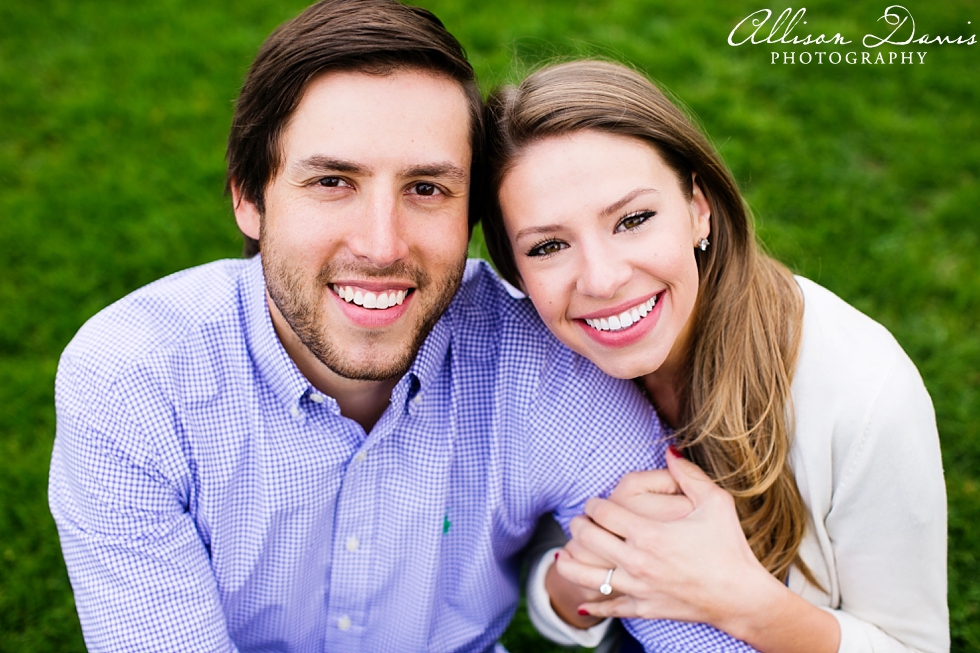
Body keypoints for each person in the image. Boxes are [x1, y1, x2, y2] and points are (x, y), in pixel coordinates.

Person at [48, 4, 758, 651]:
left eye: (426, 188)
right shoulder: (132, 383)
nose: (382, 246)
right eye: (333, 182)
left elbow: (701, 632)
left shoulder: (545, 365)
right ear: (248, 198)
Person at [481, 60, 948, 653]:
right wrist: (576, 580)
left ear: (698, 207)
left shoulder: (865, 398)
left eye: (633, 219)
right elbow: (564, 597)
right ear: (515, 270)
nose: (601, 280)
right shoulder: (544, 368)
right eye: (548, 246)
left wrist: (743, 603)